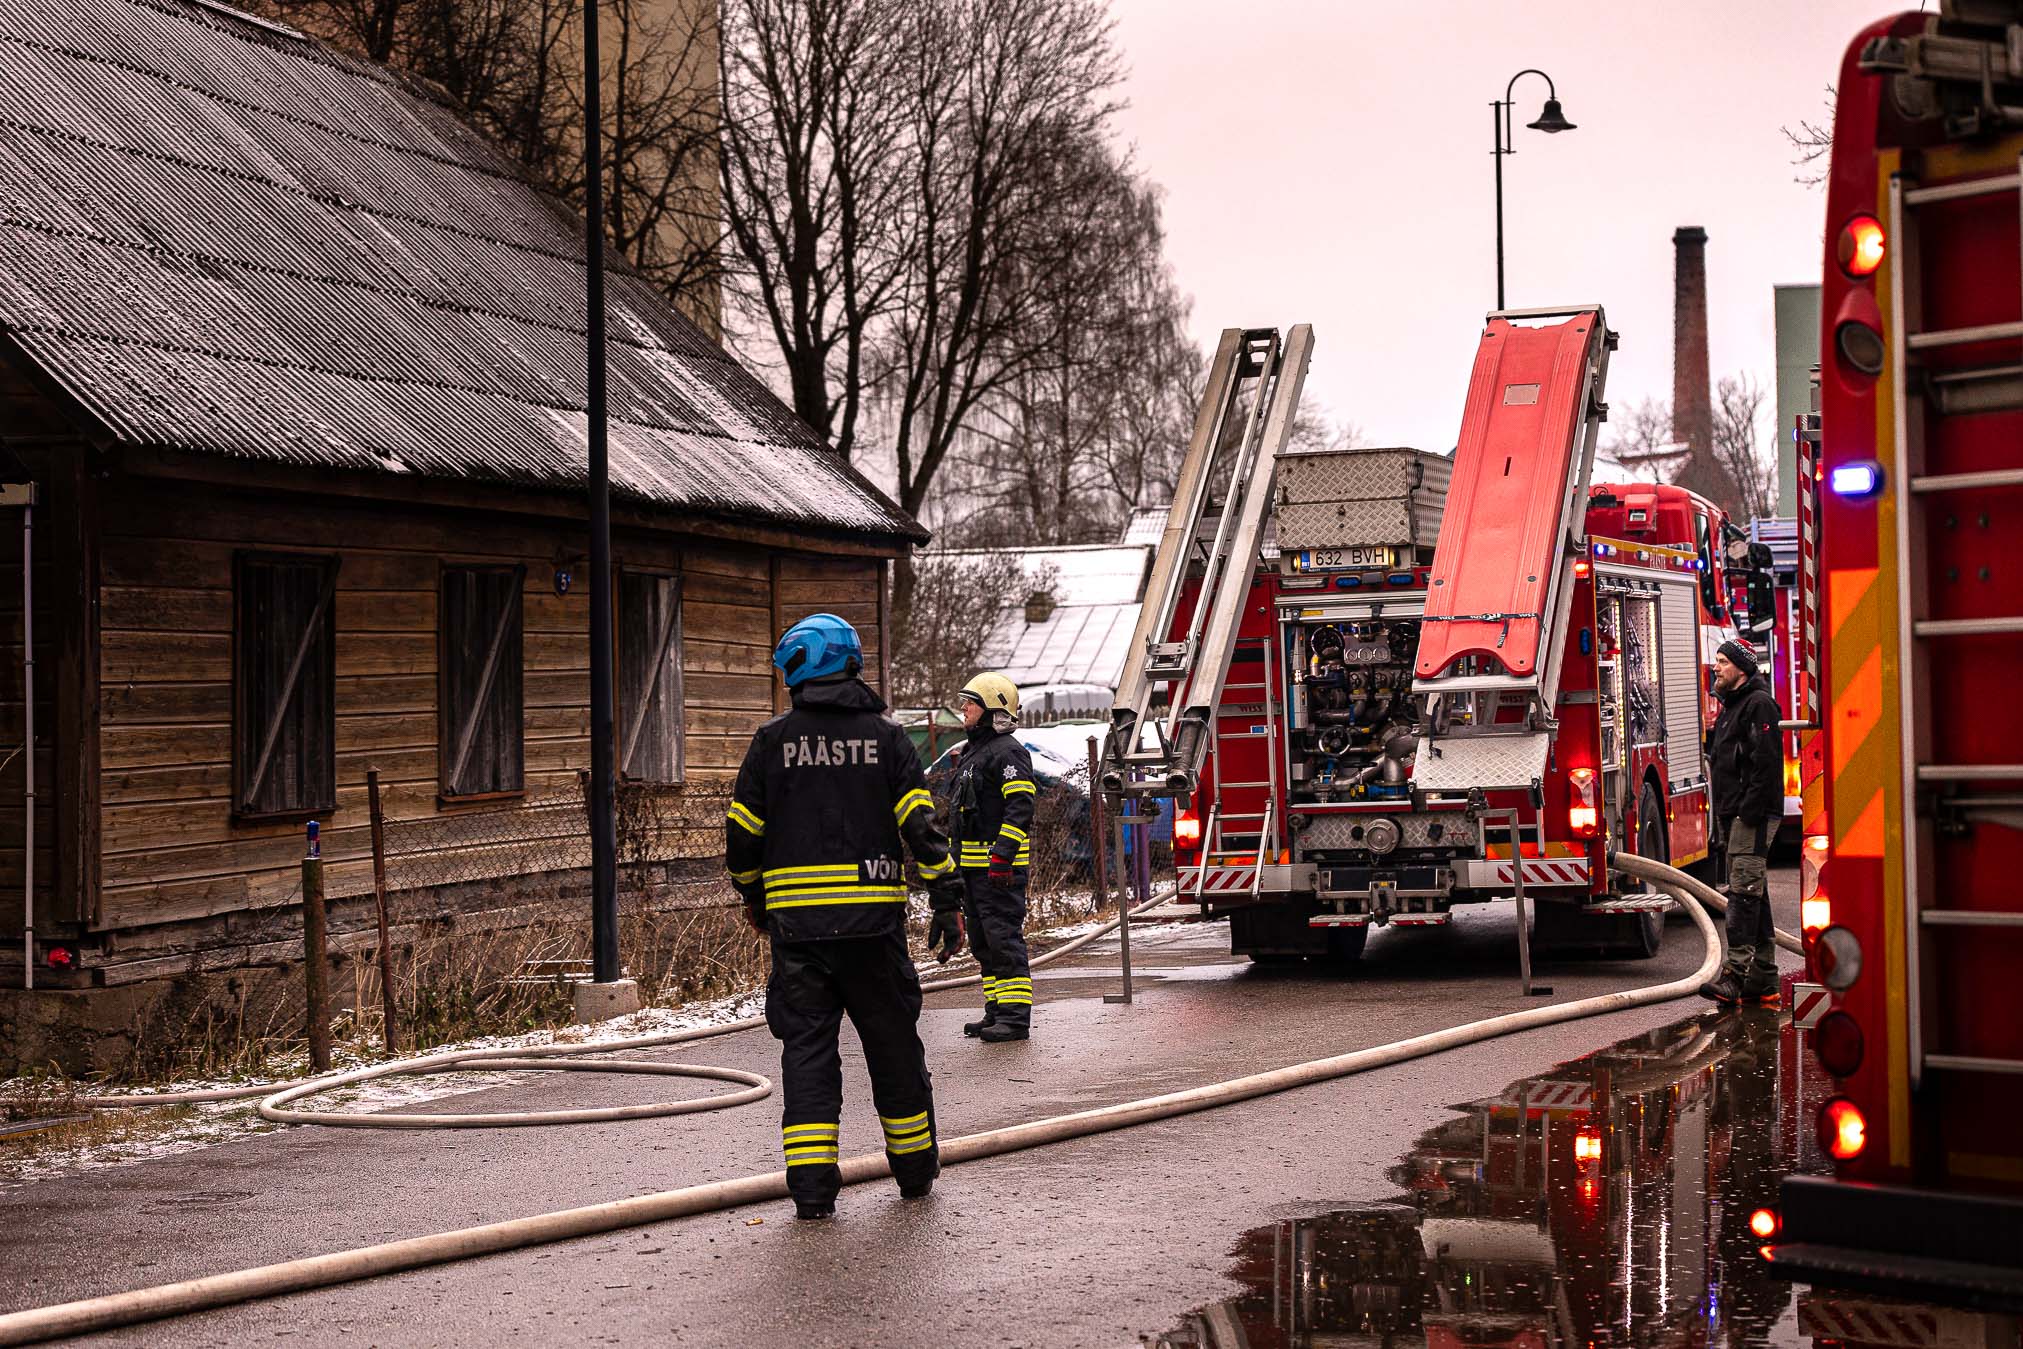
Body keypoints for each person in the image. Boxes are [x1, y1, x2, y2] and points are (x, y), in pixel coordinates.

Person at [725, 613, 966, 1220]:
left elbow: (742, 838)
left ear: (802, 667)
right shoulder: (888, 740)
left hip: (799, 936)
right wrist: (946, 902)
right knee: (892, 1047)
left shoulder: (770, 743)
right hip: (873, 931)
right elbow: (924, 830)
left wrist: (756, 899)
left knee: (807, 1053)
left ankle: (811, 1192)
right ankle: (913, 1175)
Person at [949, 672, 1037, 1043]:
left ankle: (1015, 1019)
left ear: (992, 710)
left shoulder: (1008, 753)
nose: (964, 707)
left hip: (998, 871)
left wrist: (1002, 856)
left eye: (971, 702)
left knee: (1003, 940)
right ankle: (996, 1011)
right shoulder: (973, 753)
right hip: (973, 871)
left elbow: (1020, 807)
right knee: (984, 943)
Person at [1700, 637, 1784, 1007]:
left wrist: (1747, 814)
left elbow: (1764, 765)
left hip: (1749, 816)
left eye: (1721, 661)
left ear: (1741, 667)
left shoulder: (1758, 705)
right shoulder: (1733, 707)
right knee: (1755, 893)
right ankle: (1763, 981)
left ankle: (1734, 977)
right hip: (1734, 814)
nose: (1715, 667)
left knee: (1743, 896)